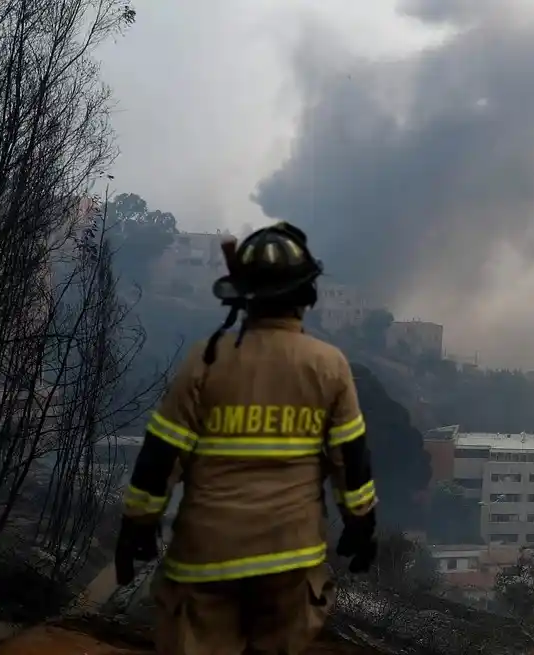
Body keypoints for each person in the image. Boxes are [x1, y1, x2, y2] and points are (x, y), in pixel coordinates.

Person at [114, 222, 379, 655]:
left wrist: (136, 527)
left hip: (204, 563)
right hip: (290, 568)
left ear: (240, 296)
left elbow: (159, 458)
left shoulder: (205, 360)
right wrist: (361, 523)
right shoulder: (329, 366)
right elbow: (351, 460)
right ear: (306, 295)